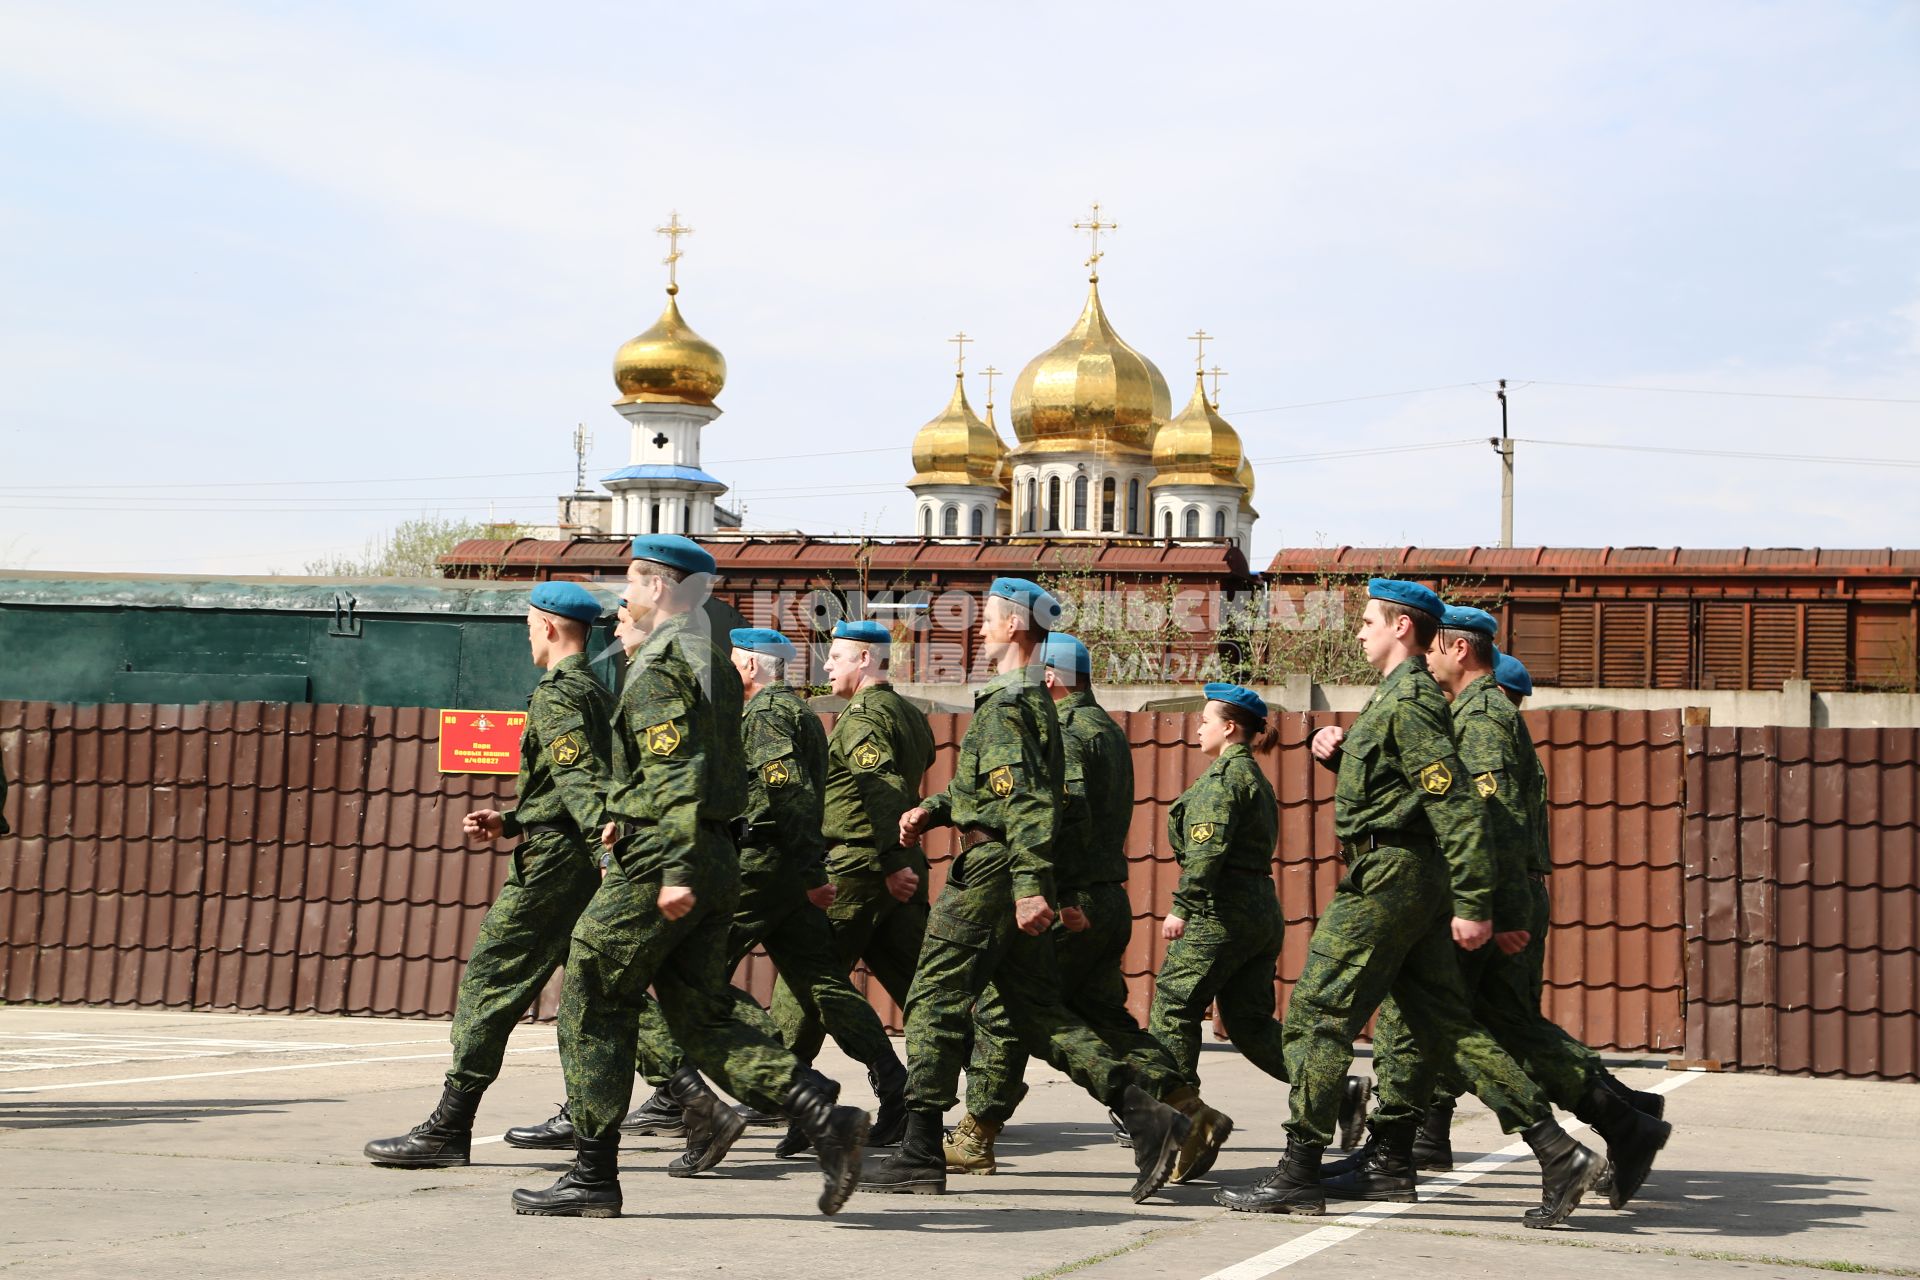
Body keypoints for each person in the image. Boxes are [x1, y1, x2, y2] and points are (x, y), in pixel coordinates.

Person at [1215, 579, 1602, 1228]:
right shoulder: (1400, 697)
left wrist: (1477, 902)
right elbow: (1403, 789)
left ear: (1401, 628)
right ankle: (1558, 1152)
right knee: (1448, 1027)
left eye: (1368, 621)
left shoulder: (1413, 700)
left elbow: (1451, 803)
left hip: (1390, 877)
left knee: (1315, 1013)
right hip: (1403, 872)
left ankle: (1298, 1171)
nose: (1358, 631)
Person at [510, 535, 868, 1219]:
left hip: (665, 858)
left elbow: (678, 773)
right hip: (714, 853)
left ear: (661, 588)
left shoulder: (663, 662)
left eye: (634, 581)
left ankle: (591, 1174)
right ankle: (822, 1117)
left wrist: (669, 862)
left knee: (591, 994)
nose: (623, 595)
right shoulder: (712, 659)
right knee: (700, 1014)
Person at [859, 578, 1193, 1202]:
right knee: (1035, 1013)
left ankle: (922, 1147)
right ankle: (1150, 1118)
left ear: (1014, 626)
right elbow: (1003, 791)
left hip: (991, 869)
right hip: (1008, 865)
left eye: (986, 617)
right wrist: (936, 810)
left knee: (933, 997)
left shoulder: (1011, 703)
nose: (978, 627)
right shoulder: (1026, 699)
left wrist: (1031, 887)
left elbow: (1032, 803)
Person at [1331, 628, 1669, 1215]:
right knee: (1499, 1025)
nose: (1425, 659)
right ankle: (1620, 1116)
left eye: (1433, 647)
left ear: (1458, 649)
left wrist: (1494, 906)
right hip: (1493, 890)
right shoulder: (1469, 711)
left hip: (1488, 893)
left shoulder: (1482, 716)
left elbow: (1493, 816)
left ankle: (1402, 1150)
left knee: (1440, 1022)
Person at [947, 638, 1234, 1184]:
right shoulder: (1104, 728)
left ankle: (976, 1133)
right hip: (1105, 898)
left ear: (1051, 678)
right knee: (1104, 1017)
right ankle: (1190, 1111)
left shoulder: (1071, 732)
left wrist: (1059, 896)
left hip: (1072, 899)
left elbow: (1065, 814)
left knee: (1007, 1011)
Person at [362, 581, 613, 1169]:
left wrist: (607, 856)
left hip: (557, 861)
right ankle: (689, 1096)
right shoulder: (598, 693)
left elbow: (584, 785)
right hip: (569, 849)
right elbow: (573, 783)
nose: (527, 633)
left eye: (528, 623)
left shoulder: (559, 695)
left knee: (489, 983)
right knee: (597, 987)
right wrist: (513, 818)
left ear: (549, 626)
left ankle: (451, 1126)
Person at [1143, 682, 1363, 1182]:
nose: (1198, 726)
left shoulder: (1223, 780)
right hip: (1258, 911)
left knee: (1174, 1005)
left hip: (1221, 910)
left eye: (1206, 719)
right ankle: (1337, 1091)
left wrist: (1182, 907)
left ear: (1230, 728)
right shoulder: (1254, 778)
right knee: (1250, 1023)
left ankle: (1184, 1125)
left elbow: (1206, 854)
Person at [766, 618, 934, 1157]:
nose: (826, 666)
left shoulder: (863, 717)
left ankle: (797, 1101)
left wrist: (886, 858)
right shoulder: (911, 713)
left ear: (866, 660)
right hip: (895, 868)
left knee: (806, 982)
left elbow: (880, 789)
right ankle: (940, 1101)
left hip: (859, 868)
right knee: (922, 989)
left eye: (836, 656)